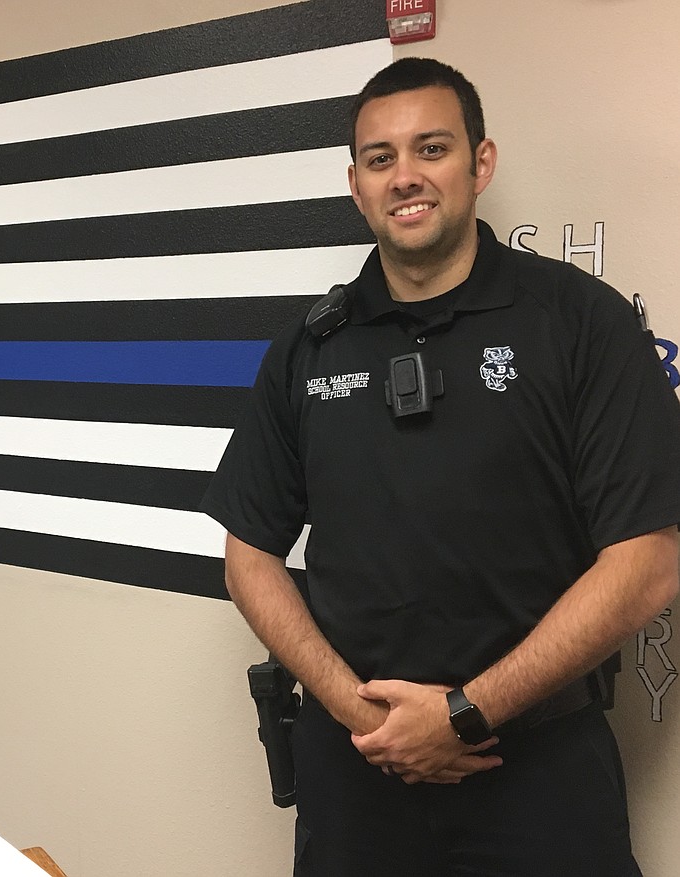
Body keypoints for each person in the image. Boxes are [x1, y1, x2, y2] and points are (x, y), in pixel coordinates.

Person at [201, 57, 680, 876]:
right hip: (357, 775)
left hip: (537, 775)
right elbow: (248, 557)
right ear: (356, 185)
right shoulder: (307, 350)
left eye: (432, 148)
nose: (406, 176)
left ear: (480, 162)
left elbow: (649, 561)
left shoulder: (582, 324)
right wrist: (372, 719)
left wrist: (463, 713)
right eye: (381, 159)